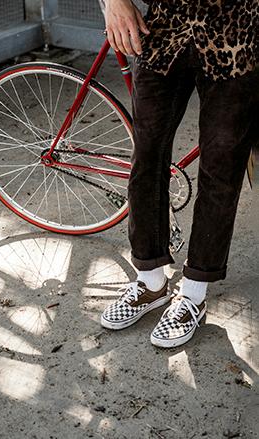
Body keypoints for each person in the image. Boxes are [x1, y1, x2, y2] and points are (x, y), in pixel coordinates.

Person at [100, 0, 259, 348]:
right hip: (164, 27)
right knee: (147, 157)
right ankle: (150, 282)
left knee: (221, 167)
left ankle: (193, 295)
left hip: (237, 33)